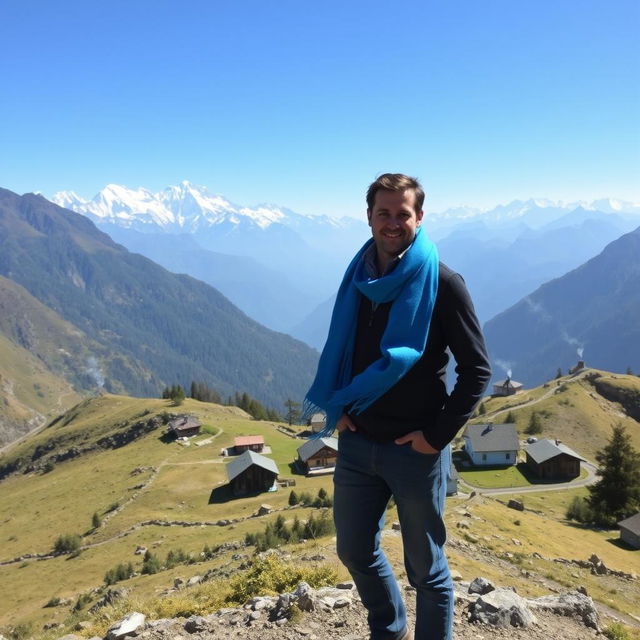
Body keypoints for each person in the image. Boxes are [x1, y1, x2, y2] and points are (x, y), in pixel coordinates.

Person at [303, 174, 491, 640]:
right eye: (383, 213)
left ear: (419, 218)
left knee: (426, 569)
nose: (392, 223)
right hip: (357, 441)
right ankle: (389, 629)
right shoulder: (359, 279)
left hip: (415, 449)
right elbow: (346, 350)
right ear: (368, 217)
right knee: (353, 550)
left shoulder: (443, 283)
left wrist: (435, 437)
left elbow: (477, 370)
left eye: (402, 214)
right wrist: (339, 405)